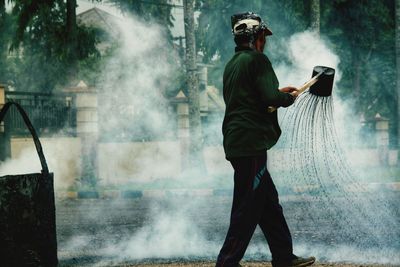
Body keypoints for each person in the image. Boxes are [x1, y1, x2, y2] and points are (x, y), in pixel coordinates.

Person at [216, 12, 316, 267]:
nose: (265, 41)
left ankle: (283, 257)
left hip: (238, 140)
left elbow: (253, 96)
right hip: (250, 143)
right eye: (262, 36)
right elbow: (269, 99)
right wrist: (286, 98)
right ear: (253, 37)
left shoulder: (233, 64)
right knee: (247, 207)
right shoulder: (258, 61)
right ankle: (226, 262)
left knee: (268, 202)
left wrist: (276, 94)